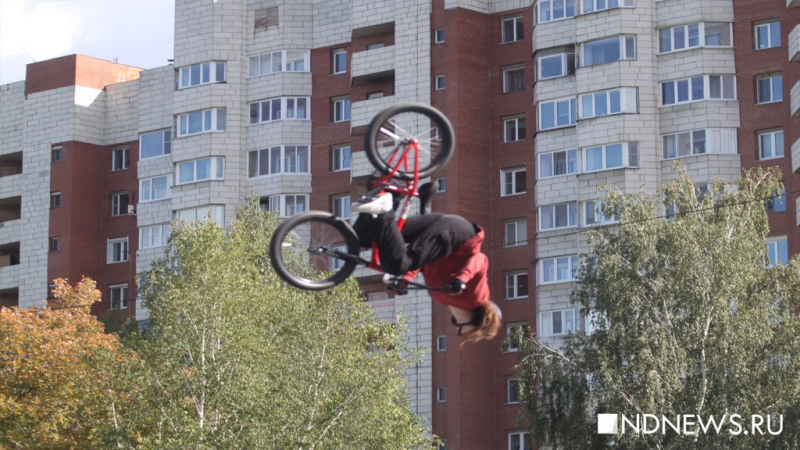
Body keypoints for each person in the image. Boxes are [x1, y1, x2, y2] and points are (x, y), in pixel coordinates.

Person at [351, 183, 501, 346]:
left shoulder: (444, 296)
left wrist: (406, 280)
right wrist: (462, 279)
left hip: (442, 228)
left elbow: (424, 261)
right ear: (476, 322)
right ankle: (385, 207)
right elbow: (480, 260)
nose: (456, 326)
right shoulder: (475, 298)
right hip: (457, 236)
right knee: (396, 265)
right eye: (461, 328)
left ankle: (389, 193)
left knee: (365, 239)